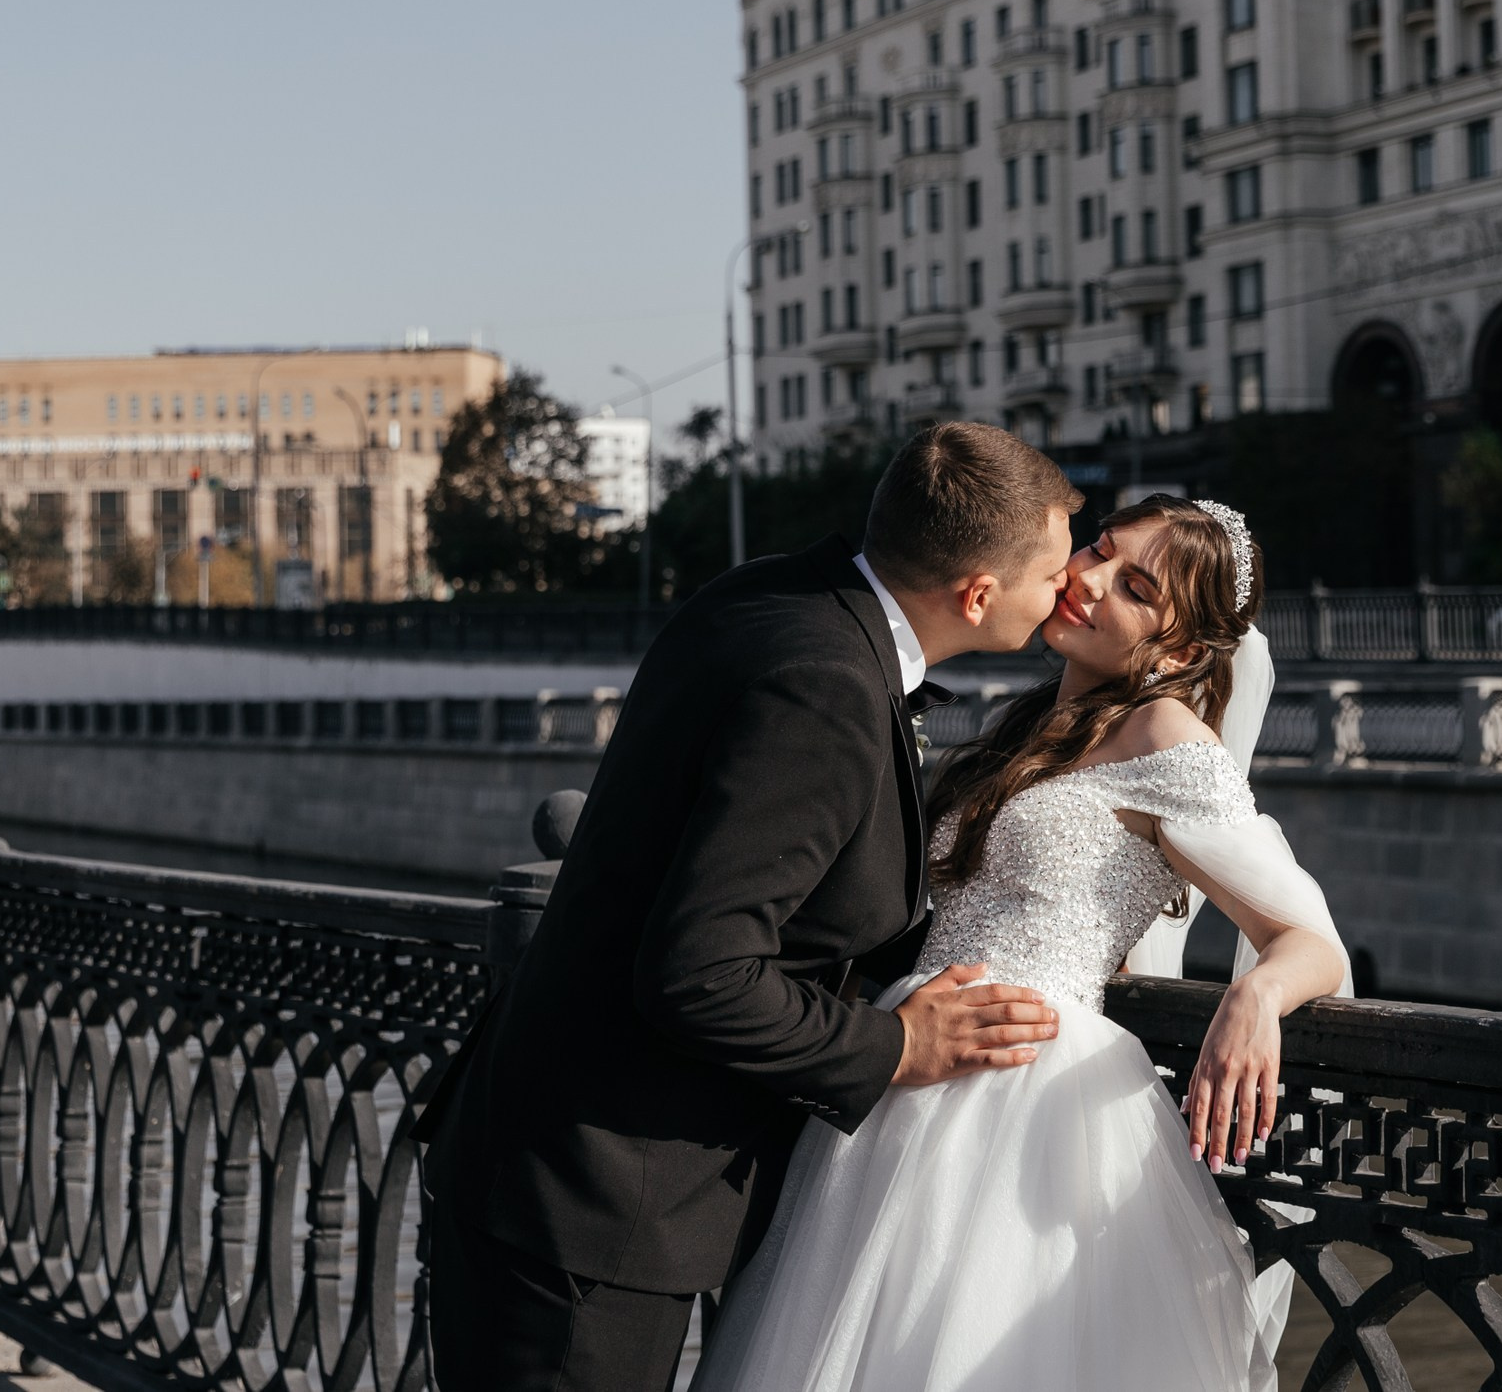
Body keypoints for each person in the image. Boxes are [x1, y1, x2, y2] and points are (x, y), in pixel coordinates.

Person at [419, 422, 1085, 1391]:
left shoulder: (768, 594)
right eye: (1051, 574)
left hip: (543, 1152)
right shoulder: (824, 687)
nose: (1065, 592)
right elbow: (698, 973)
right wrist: (893, 1047)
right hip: (597, 1205)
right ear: (978, 594)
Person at [690, 493, 1353, 1392]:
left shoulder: (1168, 737)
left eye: (1136, 585)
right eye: (1098, 549)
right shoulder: (1026, 725)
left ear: (1185, 650)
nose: (1087, 579)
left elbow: (1307, 936)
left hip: (1029, 1099)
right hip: (906, 1074)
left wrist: (1254, 996)